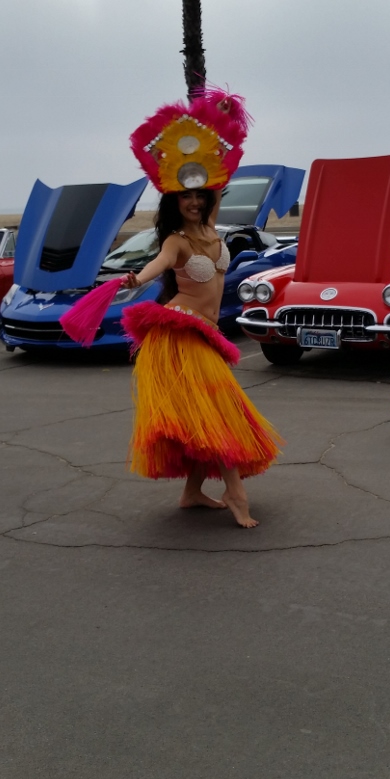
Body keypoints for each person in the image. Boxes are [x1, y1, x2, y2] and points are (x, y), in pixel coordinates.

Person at [118, 90, 282, 529]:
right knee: (220, 411)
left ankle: (192, 492)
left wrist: (219, 121)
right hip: (181, 335)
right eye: (185, 197)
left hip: (206, 334)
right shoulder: (176, 241)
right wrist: (136, 279)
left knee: (203, 415)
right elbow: (156, 265)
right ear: (173, 202)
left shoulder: (211, 226)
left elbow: (220, 173)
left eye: (200, 196)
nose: (193, 202)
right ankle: (235, 492)